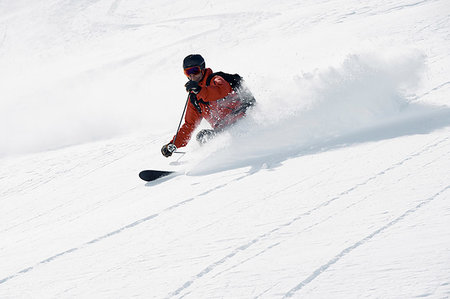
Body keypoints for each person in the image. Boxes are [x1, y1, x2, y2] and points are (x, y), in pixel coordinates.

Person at [161, 54, 255, 157]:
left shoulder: (216, 79)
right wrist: (173, 144)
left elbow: (220, 91)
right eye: (187, 72)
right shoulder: (195, 97)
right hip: (224, 130)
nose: (192, 76)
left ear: (202, 69)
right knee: (203, 137)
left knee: (216, 137)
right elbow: (189, 124)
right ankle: (216, 159)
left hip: (243, 121)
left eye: (195, 71)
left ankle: (234, 155)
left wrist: (199, 90)